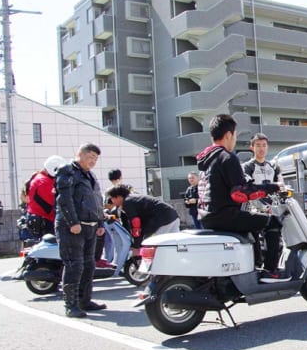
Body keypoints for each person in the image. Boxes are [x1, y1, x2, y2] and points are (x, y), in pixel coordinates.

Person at [196, 114, 286, 283]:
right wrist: (271, 187)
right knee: (273, 222)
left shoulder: (207, 160)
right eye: (235, 134)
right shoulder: (227, 158)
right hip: (225, 215)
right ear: (229, 135)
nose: (235, 139)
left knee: (252, 225)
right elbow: (241, 194)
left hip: (206, 216)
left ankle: (254, 266)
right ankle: (270, 271)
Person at [55, 143, 108, 318]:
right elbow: (64, 199)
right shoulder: (67, 170)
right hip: (72, 227)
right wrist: (73, 222)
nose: (93, 161)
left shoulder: (89, 175)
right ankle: (71, 305)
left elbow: (97, 200)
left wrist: (100, 223)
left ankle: (85, 300)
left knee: (89, 265)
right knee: (74, 265)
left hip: (91, 226)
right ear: (80, 154)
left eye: (95, 158)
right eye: (90, 156)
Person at [105, 184, 180, 250]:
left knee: (157, 246)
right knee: (175, 246)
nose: (111, 201)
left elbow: (135, 223)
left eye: (112, 198)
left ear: (118, 197)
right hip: (172, 215)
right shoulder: (132, 198)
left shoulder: (127, 202)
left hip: (163, 221)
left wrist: (136, 245)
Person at [25, 155, 68, 240]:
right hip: (43, 221)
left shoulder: (42, 178)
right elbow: (56, 203)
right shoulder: (43, 182)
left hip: (42, 219)